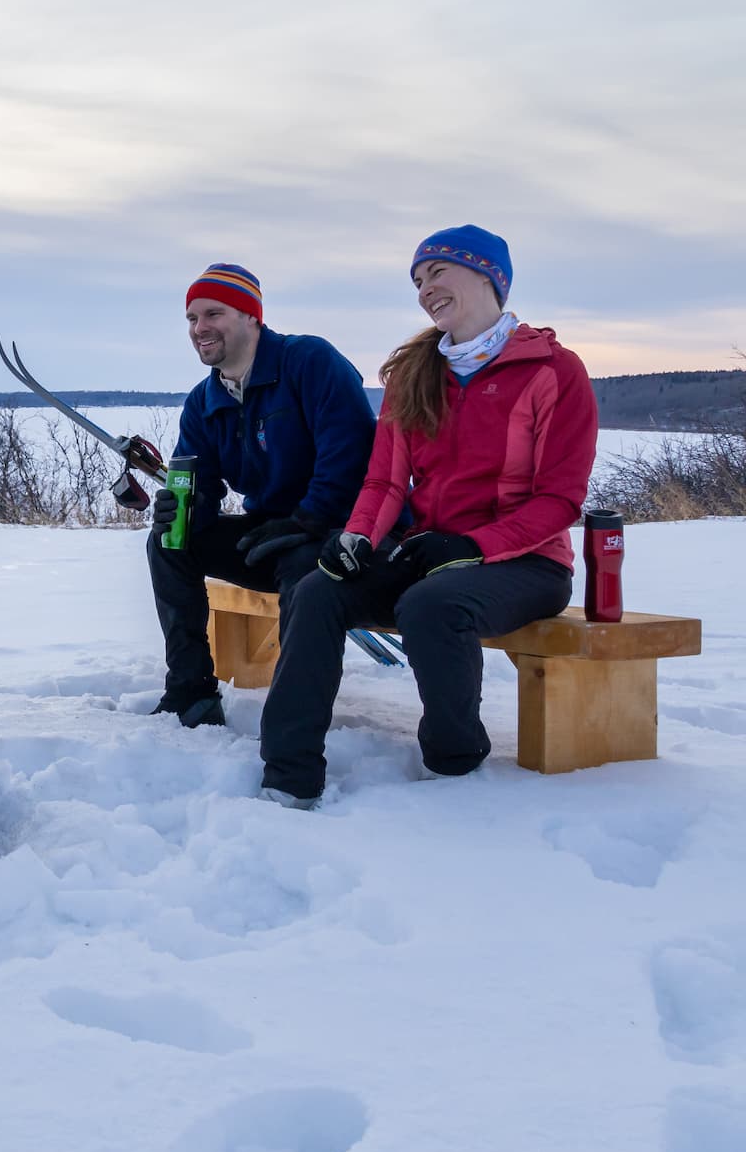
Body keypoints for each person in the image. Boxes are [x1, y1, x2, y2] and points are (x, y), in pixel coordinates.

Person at [258, 225, 599, 808]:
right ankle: (288, 775)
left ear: (488, 275)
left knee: (431, 603)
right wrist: (357, 536)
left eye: (436, 272)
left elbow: (559, 500)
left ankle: (454, 760)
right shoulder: (413, 374)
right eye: (417, 281)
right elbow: (385, 479)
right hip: (428, 554)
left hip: (526, 564)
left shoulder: (553, 371)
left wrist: (472, 546)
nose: (425, 289)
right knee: (318, 590)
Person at [147, 263, 379, 727]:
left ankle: (295, 720)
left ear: (252, 317)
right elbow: (202, 491)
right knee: (169, 544)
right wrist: (179, 511)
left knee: (302, 565)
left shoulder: (309, 363)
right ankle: (190, 693)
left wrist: (309, 519)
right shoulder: (204, 402)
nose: (200, 328)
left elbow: (351, 453)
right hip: (271, 530)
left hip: (344, 532)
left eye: (214, 314)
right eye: (192, 319)